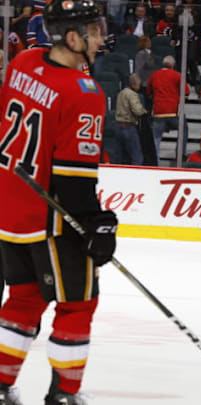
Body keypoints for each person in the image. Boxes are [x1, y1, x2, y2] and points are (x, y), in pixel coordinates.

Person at [0, 0, 118, 403]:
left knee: (23, 298)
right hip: (51, 218)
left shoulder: (24, 62)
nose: (101, 37)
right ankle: (64, 396)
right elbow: (72, 177)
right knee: (79, 304)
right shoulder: (84, 93)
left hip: (8, 211)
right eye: (94, 30)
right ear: (73, 37)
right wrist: (94, 224)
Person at [146, 55, 191, 158]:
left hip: (158, 111)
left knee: (156, 138)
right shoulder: (177, 75)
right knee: (183, 128)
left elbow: (148, 92)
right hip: (173, 111)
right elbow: (187, 92)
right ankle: (180, 154)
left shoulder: (154, 75)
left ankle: (155, 160)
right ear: (173, 65)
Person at [115, 73, 148, 165]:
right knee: (137, 157)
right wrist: (144, 111)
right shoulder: (132, 94)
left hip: (118, 126)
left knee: (119, 157)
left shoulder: (120, 93)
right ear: (135, 84)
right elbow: (137, 111)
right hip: (129, 128)